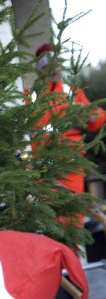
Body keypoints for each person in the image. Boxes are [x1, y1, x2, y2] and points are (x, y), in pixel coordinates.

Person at [29, 42, 106, 197]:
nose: (57, 67)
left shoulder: (71, 92)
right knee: (47, 211)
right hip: (43, 166)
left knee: (73, 214)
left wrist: (87, 112)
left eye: (58, 63)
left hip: (72, 165)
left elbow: (98, 120)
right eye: (51, 64)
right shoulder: (31, 96)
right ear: (41, 68)